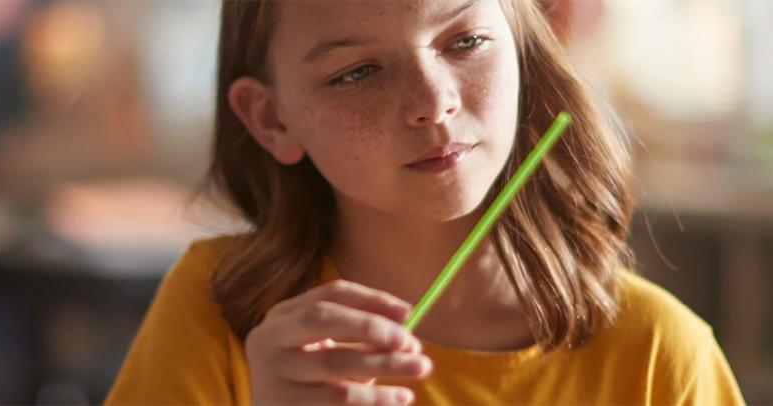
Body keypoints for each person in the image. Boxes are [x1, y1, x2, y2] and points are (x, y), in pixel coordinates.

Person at [105, 0, 745, 404]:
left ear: (524, 43)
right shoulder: (218, 312)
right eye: (356, 72)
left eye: (464, 41)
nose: (431, 101)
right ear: (271, 120)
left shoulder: (660, 355)